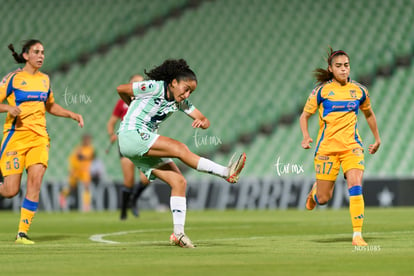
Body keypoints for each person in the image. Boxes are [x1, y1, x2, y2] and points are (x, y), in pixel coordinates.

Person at [116, 59, 246, 248]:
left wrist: (203, 123)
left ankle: (178, 234)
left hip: (139, 144)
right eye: (185, 89)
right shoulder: (155, 87)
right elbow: (122, 89)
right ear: (173, 82)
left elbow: (203, 118)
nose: (186, 94)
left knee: (179, 182)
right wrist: (133, 107)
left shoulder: (180, 102)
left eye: (191, 92)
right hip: (131, 134)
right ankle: (226, 173)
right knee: (180, 149)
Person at [0, 39, 84, 244]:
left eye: (43, 52)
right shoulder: (13, 78)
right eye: (36, 52)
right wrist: (8, 108)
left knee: (35, 181)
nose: (41, 56)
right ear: (26, 55)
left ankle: (22, 233)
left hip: (39, 138)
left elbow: (51, 106)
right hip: (15, 138)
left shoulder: (45, 80)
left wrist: (71, 114)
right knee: (10, 191)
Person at [299, 48, 381, 246]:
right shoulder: (321, 91)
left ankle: (357, 235)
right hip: (327, 149)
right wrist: (306, 136)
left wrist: (377, 138)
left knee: (355, 184)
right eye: (339, 66)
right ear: (330, 69)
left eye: (346, 65)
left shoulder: (360, 90)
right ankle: (314, 193)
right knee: (324, 198)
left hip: (352, 147)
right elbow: (304, 116)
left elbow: (368, 114)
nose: (343, 69)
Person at [107, 74, 150, 220]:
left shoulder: (147, 102)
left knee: (146, 179)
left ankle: (133, 201)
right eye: (135, 83)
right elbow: (111, 123)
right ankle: (124, 212)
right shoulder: (122, 103)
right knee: (129, 180)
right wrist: (112, 134)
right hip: (125, 141)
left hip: (143, 141)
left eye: (141, 83)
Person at [60, 134, 95, 212]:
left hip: (85, 171)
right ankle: (63, 195)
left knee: (86, 187)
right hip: (76, 170)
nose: (88, 141)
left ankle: (86, 206)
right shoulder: (79, 149)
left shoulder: (90, 149)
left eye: (89, 140)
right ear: (84, 140)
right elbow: (76, 158)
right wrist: (71, 170)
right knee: (72, 187)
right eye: (87, 140)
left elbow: (90, 157)